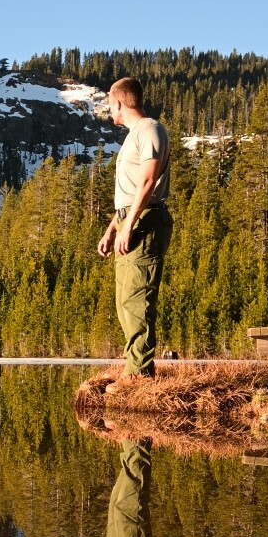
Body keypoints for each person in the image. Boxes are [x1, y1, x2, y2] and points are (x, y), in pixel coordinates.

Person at [97, 78, 173, 380]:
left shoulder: (151, 130)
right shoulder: (133, 136)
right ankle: (135, 369)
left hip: (146, 222)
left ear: (119, 102)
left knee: (137, 297)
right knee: (125, 300)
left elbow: (147, 182)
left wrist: (129, 226)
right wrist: (112, 229)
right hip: (132, 219)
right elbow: (130, 194)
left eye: (108, 104)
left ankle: (139, 374)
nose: (107, 110)